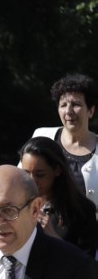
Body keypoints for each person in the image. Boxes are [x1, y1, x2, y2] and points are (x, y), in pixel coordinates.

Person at [19, 136, 98, 257]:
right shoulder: (17, 204)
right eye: (26, 173)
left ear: (57, 170)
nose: (32, 181)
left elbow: (88, 266)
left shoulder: (82, 210)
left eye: (40, 174)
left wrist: (53, 237)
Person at [30, 73, 98, 209]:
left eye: (76, 104)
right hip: (43, 227)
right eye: (63, 105)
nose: (68, 111)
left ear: (90, 111)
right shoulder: (42, 136)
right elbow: (21, 180)